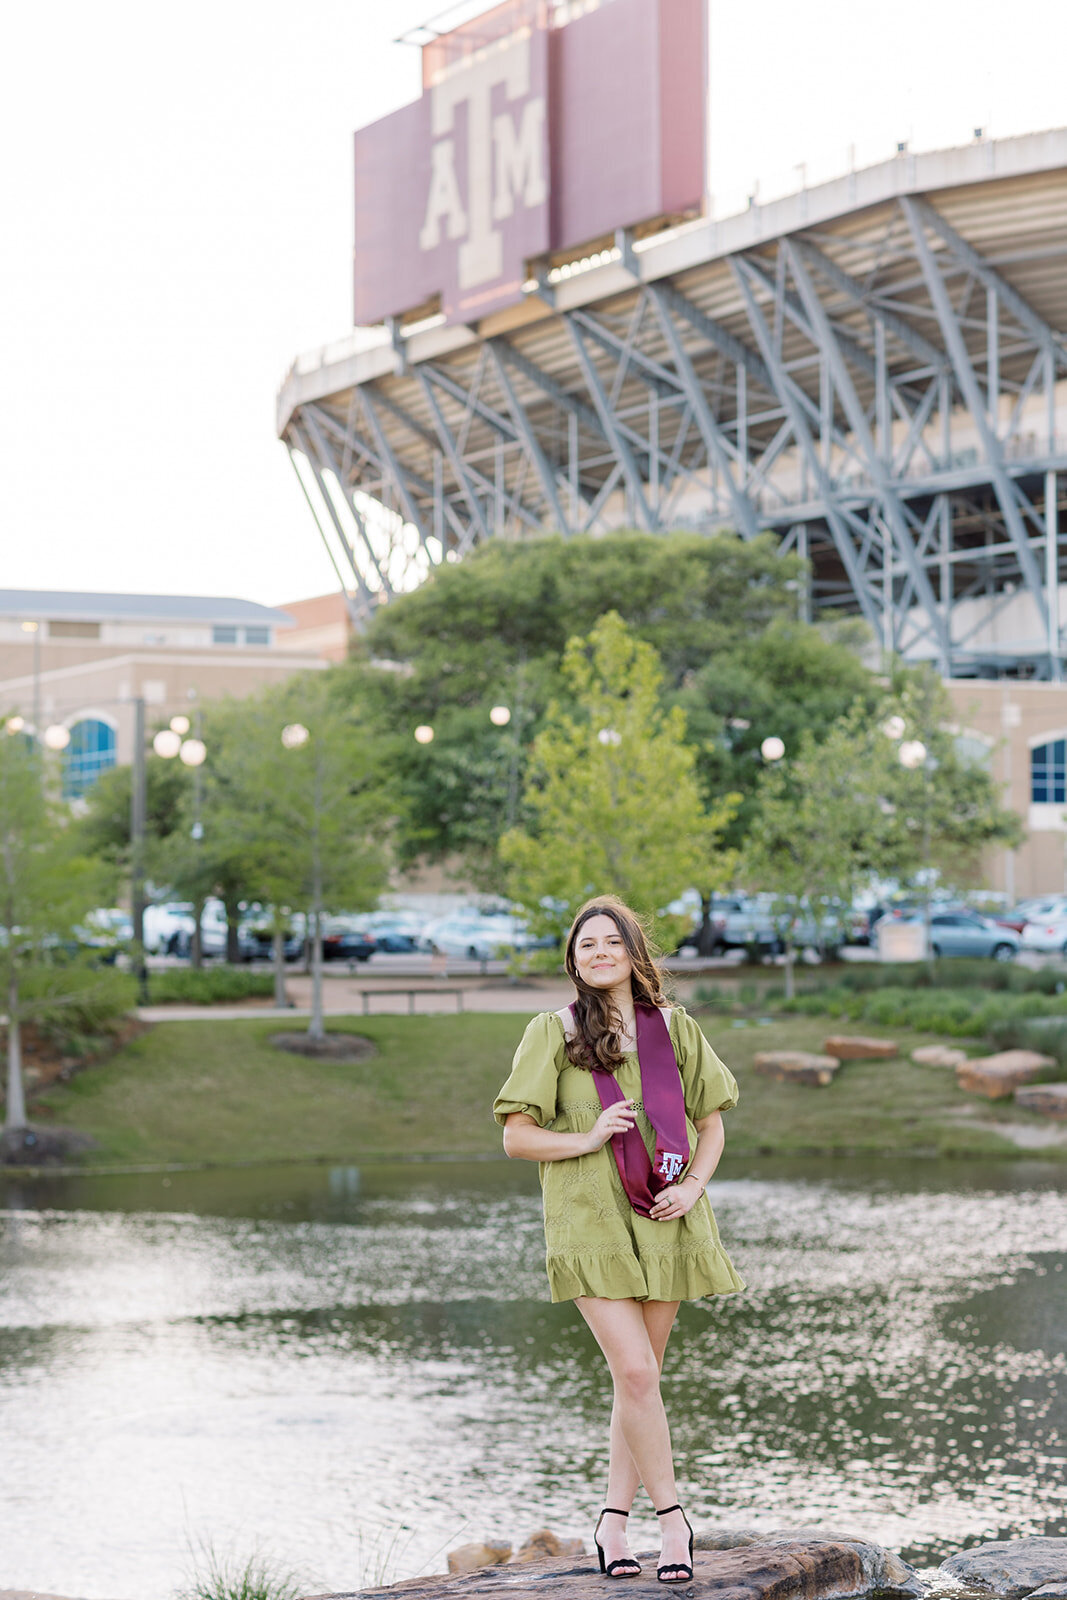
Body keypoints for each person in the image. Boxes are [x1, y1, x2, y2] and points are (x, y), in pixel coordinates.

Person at [494, 895, 744, 1584]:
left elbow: (712, 1121)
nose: (598, 953)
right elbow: (516, 1136)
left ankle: (611, 1520)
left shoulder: (674, 1028)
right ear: (573, 962)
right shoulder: (553, 1031)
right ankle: (673, 1522)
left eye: (610, 942)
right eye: (585, 946)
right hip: (590, 1226)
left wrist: (693, 1185)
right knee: (635, 1373)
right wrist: (588, 1136)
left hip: (665, 1219)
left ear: (633, 953)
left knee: (641, 1384)